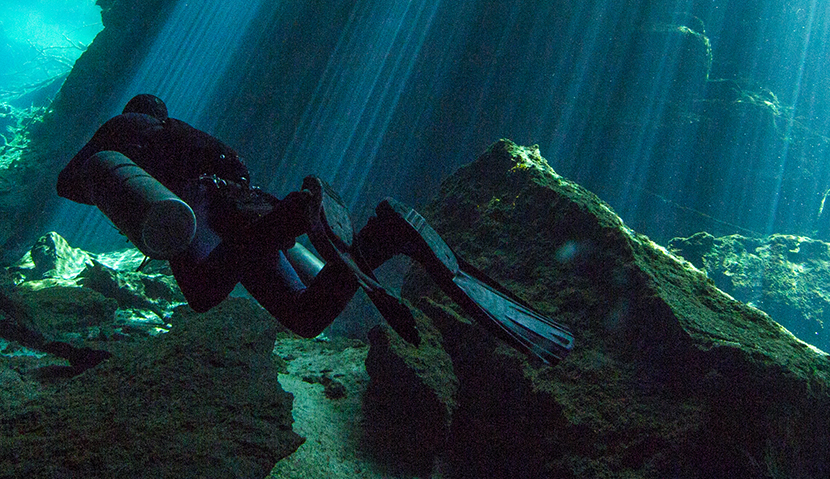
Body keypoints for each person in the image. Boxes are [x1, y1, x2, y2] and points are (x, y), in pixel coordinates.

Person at [56, 93, 573, 364]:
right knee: (305, 315)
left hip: (199, 209)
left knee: (204, 293)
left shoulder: (121, 133)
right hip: (244, 201)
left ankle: (297, 218)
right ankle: (381, 236)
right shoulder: (179, 130)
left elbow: (67, 184)